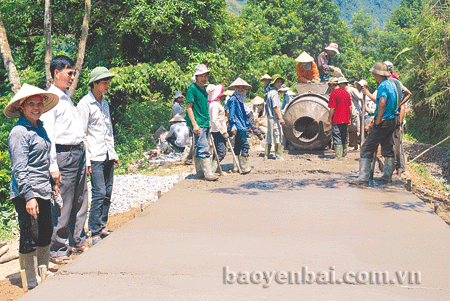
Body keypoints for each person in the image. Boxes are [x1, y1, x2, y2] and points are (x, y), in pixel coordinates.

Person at [4, 84, 59, 288]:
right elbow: (20, 168)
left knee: (46, 231)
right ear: (22, 107)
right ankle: (31, 279)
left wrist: (53, 184)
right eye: (31, 104)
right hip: (26, 192)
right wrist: (29, 196)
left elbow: (42, 162)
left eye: (39, 104)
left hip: (43, 188)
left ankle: (43, 271)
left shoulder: (40, 128)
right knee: (30, 234)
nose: (36, 108)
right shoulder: (19, 132)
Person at [40, 55, 89, 263]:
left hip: (78, 152)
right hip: (63, 153)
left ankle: (77, 240)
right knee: (64, 202)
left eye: (74, 73)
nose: (72, 77)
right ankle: (57, 248)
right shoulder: (51, 99)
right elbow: (48, 134)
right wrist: (53, 165)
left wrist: (85, 159)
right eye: (69, 73)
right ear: (56, 73)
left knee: (80, 198)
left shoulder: (67, 96)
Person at [77, 67, 119, 246]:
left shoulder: (105, 103)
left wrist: (114, 152)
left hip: (107, 153)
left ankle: (102, 225)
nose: (107, 85)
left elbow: (108, 130)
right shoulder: (85, 104)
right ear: (95, 83)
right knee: (99, 192)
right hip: (94, 155)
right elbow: (82, 134)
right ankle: (94, 230)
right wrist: (86, 160)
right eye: (104, 82)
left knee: (108, 192)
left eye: (108, 82)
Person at [350, 62, 398, 185]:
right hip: (391, 120)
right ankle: (387, 176)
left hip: (383, 121)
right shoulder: (392, 85)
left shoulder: (383, 86)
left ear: (377, 74)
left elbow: (382, 103)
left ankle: (363, 178)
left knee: (367, 148)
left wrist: (378, 119)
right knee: (387, 148)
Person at [185, 64, 218, 181]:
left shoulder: (204, 89)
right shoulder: (192, 88)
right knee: (203, 146)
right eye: (201, 76)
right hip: (197, 122)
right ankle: (208, 173)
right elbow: (189, 107)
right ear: (197, 77)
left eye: (205, 76)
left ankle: (199, 171)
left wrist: (208, 121)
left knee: (201, 146)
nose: (204, 78)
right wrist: (194, 124)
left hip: (204, 121)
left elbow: (205, 106)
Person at [384, 61, 412, 177]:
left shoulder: (389, 83)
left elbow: (383, 102)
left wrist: (399, 104)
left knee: (394, 144)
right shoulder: (397, 83)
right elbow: (408, 93)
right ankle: (398, 167)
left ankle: (396, 168)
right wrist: (400, 103)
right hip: (396, 117)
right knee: (396, 143)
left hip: (393, 118)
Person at [227, 77, 253, 174]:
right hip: (238, 126)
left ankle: (236, 167)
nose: (241, 89)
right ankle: (244, 167)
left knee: (237, 147)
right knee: (245, 146)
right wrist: (232, 124)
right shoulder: (233, 99)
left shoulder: (241, 99)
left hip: (242, 125)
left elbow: (243, 114)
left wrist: (248, 125)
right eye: (239, 87)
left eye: (242, 88)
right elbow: (232, 113)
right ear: (235, 88)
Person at [326, 77, 352, 157]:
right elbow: (350, 107)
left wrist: (329, 119)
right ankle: (344, 155)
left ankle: (338, 156)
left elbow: (332, 108)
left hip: (336, 120)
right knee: (344, 137)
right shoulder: (346, 93)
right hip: (345, 119)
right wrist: (349, 118)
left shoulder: (333, 94)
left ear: (332, 85)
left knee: (337, 137)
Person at [206, 84, 227, 174]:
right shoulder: (214, 105)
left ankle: (214, 168)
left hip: (217, 130)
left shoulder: (214, 104)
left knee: (218, 151)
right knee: (222, 152)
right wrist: (223, 131)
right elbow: (214, 119)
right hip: (218, 130)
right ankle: (212, 169)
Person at [264, 74, 286, 160]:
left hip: (270, 117)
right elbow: (275, 107)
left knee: (269, 136)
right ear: (274, 83)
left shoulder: (269, 93)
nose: (279, 84)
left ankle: (266, 155)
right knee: (277, 135)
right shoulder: (274, 94)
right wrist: (280, 117)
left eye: (280, 82)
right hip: (274, 118)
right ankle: (278, 156)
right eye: (278, 82)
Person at [346, 83, 363, 150]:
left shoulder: (352, 90)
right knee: (351, 130)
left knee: (356, 130)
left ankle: (358, 146)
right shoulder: (344, 91)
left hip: (355, 112)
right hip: (348, 113)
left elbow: (361, 98)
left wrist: (364, 107)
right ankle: (354, 146)